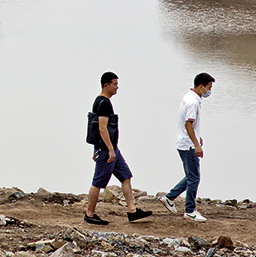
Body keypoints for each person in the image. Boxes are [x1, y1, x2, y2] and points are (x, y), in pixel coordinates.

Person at [84, 71, 152, 225]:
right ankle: (89, 214)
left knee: (126, 176)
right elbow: (101, 128)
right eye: (114, 84)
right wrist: (108, 149)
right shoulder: (103, 103)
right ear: (106, 85)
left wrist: (103, 148)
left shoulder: (100, 101)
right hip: (107, 151)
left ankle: (132, 211)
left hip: (112, 149)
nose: (117, 87)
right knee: (98, 182)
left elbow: (95, 127)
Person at [158, 73, 216, 222]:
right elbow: (188, 124)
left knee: (191, 176)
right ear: (201, 86)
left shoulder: (189, 97)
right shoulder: (193, 102)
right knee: (194, 178)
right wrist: (196, 144)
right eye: (209, 87)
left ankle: (169, 197)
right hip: (188, 146)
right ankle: (189, 210)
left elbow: (189, 124)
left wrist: (197, 136)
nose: (209, 91)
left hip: (184, 142)